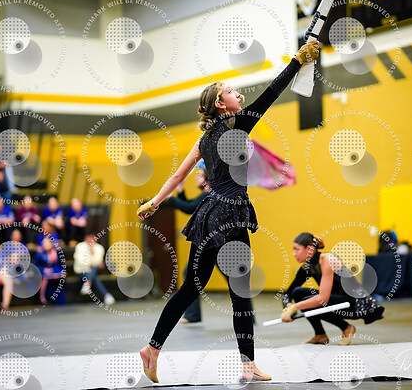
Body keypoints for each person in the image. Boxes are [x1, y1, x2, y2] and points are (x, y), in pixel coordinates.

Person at [135, 41, 320, 383]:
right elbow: (271, 93)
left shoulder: (203, 140)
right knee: (240, 294)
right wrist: (296, 62)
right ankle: (248, 366)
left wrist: (155, 202)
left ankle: (153, 348)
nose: (240, 94)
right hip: (230, 218)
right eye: (233, 92)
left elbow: (177, 177)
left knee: (191, 287)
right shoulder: (235, 126)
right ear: (221, 104)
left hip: (208, 217)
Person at [281, 232, 384, 345]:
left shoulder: (328, 259)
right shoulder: (307, 267)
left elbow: (323, 298)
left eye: (296, 249)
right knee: (298, 293)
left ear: (309, 249)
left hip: (355, 304)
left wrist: (295, 307)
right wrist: (287, 308)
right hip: (336, 300)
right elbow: (289, 292)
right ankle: (320, 335)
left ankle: (346, 328)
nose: (293, 253)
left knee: (308, 301)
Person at [168, 160, 210, 323]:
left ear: (207, 178)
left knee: (191, 275)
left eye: (200, 175)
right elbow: (190, 205)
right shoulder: (208, 194)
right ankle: (247, 316)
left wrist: (170, 198)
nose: (196, 178)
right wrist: (181, 191)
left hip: (211, 244)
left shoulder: (208, 194)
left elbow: (189, 207)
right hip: (214, 243)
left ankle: (193, 315)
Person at [73, 233, 114, 306]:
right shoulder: (80, 246)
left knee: (93, 269)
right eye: (89, 239)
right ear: (85, 239)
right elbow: (79, 260)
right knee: (93, 276)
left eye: (92, 239)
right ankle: (106, 295)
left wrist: (92, 252)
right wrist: (89, 264)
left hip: (93, 270)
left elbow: (98, 261)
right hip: (81, 271)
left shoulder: (99, 248)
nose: (90, 241)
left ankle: (87, 285)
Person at [35, 237, 64, 304]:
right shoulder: (40, 254)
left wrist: (58, 271)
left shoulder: (57, 253)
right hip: (43, 273)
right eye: (44, 243)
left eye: (47, 243)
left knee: (59, 277)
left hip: (55, 272)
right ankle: (43, 297)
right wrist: (44, 269)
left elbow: (60, 264)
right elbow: (36, 266)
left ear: (51, 244)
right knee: (46, 278)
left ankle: (60, 300)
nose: (46, 245)